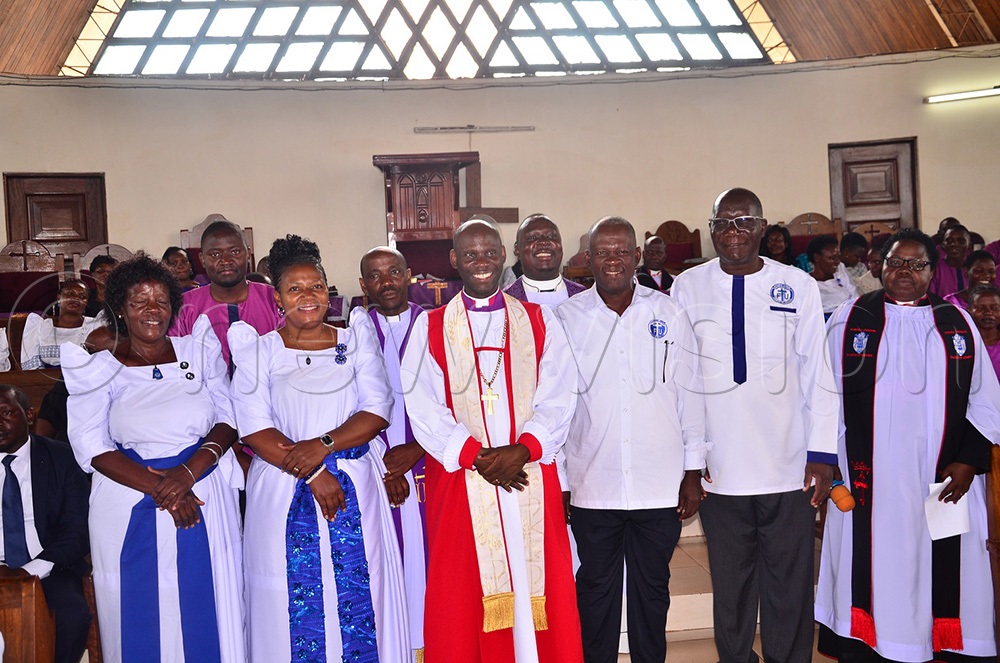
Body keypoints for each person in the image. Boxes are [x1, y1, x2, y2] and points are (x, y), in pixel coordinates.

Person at [400, 218, 583, 662]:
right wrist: (476, 456)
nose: (480, 262)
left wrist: (524, 449)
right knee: (463, 590)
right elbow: (421, 404)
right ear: (453, 261)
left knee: (536, 581)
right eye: (470, 254)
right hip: (462, 480)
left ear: (505, 256)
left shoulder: (539, 321)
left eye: (489, 253)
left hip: (530, 475)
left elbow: (561, 393)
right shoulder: (431, 326)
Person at [671, 187, 839, 663]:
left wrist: (823, 455)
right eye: (723, 223)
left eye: (744, 222)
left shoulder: (797, 286)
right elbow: (684, 381)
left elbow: (818, 375)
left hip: (789, 464)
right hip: (719, 468)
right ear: (710, 231)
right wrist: (691, 458)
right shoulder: (688, 287)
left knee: (788, 582)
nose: (733, 232)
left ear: (764, 228)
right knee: (731, 584)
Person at [817, 228, 1000, 662]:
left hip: (942, 480)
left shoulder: (958, 324)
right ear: (880, 266)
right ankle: (872, 644)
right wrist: (830, 465)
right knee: (874, 566)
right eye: (896, 262)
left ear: (932, 273)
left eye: (917, 265)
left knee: (944, 571)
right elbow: (821, 399)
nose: (904, 272)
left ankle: (939, 646)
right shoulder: (848, 319)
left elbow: (987, 401)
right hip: (870, 482)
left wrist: (969, 462)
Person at [228, 235, 408, 662]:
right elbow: (254, 428)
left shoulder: (355, 340)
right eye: (294, 288)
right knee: (287, 594)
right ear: (277, 298)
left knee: (362, 590)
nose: (307, 296)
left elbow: (378, 409)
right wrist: (311, 471)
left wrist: (323, 446)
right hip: (282, 487)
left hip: (354, 486)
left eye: (316, 287)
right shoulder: (259, 352)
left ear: (329, 292)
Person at [62, 255, 246, 662]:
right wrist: (165, 490)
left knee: (209, 600)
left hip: (202, 489)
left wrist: (185, 474)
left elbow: (228, 418)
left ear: (174, 307)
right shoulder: (101, 368)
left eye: (161, 301)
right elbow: (91, 444)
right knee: (140, 608)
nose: (152, 310)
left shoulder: (197, 351)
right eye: (139, 301)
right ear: (121, 310)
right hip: (128, 498)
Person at [555, 217, 707, 663]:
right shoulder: (566, 317)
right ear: (589, 260)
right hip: (592, 484)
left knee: (651, 595)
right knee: (595, 597)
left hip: (658, 485)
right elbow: (557, 406)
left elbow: (691, 394)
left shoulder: (669, 312)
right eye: (603, 251)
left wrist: (693, 472)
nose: (613, 259)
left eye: (622, 250)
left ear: (637, 257)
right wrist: (562, 478)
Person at [349, 245, 428, 662]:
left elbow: (457, 400)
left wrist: (416, 449)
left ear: (409, 274)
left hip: (431, 463)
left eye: (393, 272)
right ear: (364, 286)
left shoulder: (435, 325)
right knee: (389, 561)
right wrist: (385, 461)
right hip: (380, 467)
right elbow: (350, 405)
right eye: (375, 276)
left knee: (434, 560)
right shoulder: (353, 336)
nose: (386, 282)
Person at [0, 384, 90, 663]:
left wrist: (30, 571)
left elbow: (77, 531)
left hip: (49, 566)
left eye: (6, 413)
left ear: (29, 415)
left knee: (73, 616)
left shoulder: (62, 457)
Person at [169, 218, 282, 372]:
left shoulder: (273, 299)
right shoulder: (186, 307)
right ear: (202, 259)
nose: (226, 261)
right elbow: (174, 362)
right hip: (204, 393)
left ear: (248, 253)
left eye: (234, 252)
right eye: (215, 254)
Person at [505, 213, 588, 306]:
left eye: (551, 236)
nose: (544, 242)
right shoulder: (504, 301)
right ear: (517, 250)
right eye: (532, 237)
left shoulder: (584, 296)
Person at [20, 279, 101, 370]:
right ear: (59, 297)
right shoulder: (40, 326)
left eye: (82, 296)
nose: (76, 298)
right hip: (45, 380)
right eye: (70, 294)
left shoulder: (95, 326)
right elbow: (32, 368)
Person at [808, 235, 858, 319]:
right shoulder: (808, 282)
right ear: (817, 257)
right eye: (832, 258)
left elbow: (855, 297)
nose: (837, 262)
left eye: (838, 257)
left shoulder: (840, 272)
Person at [929, 224, 972, 297]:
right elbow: (930, 298)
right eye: (949, 241)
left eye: (961, 241)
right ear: (943, 245)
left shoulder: (974, 268)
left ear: (969, 245)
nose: (954, 244)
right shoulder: (934, 269)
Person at [968, 284, 1000, 375]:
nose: (988, 312)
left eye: (995, 308)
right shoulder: (964, 343)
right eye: (981, 308)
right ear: (969, 310)